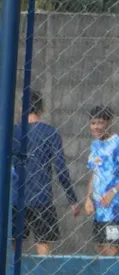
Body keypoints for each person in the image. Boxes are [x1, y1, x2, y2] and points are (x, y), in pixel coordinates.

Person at [12, 90, 79, 256]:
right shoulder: (50, 133)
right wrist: (72, 199)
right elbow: (60, 168)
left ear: (22, 107)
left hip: (16, 198)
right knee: (43, 244)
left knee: (15, 243)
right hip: (42, 199)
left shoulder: (14, 132)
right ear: (42, 109)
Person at [83, 106, 119, 257]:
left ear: (108, 123)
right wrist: (88, 198)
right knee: (100, 246)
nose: (96, 127)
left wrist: (113, 192)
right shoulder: (95, 145)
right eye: (93, 123)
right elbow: (94, 172)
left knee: (112, 248)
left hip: (115, 209)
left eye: (100, 123)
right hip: (98, 209)